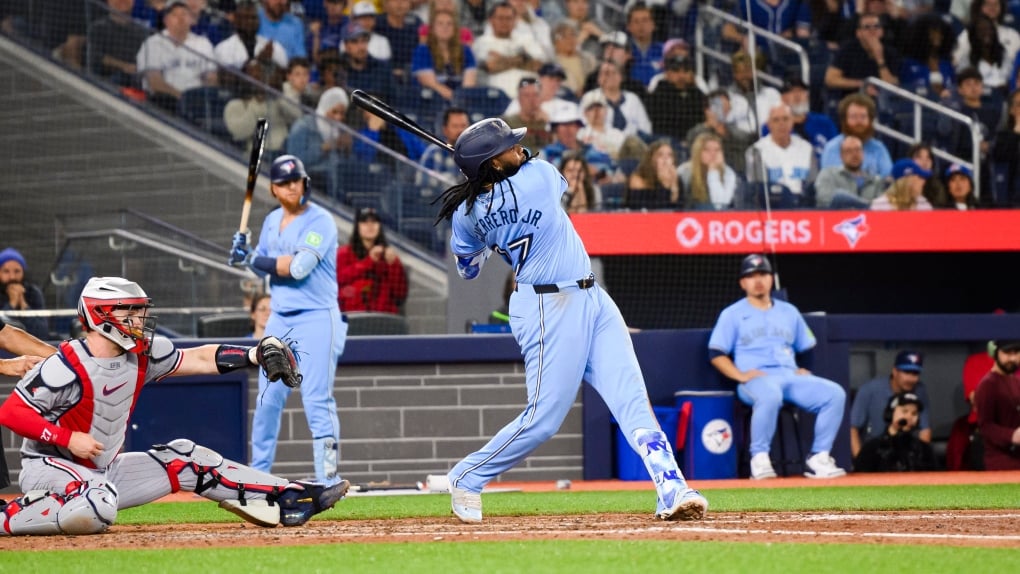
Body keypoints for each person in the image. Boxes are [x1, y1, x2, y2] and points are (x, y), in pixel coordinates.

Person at [432, 117, 707, 523]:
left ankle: (671, 486)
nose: (519, 150)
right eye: (508, 148)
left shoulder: (466, 215)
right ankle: (467, 475)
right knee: (543, 419)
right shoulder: (540, 177)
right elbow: (539, 179)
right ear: (491, 163)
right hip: (547, 308)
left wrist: (487, 222)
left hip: (591, 297)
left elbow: (468, 268)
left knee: (631, 398)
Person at [0, 277, 348, 535]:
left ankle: (289, 497)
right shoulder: (65, 364)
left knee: (186, 459)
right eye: (130, 312)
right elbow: (10, 413)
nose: (138, 319)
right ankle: (6, 517)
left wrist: (254, 354)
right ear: (100, 315)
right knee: (97, 504)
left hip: (101, 470)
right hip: (48, 465)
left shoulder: (143, 354)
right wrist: (66, 438)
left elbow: (197, 358)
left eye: (139, 311)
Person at [228, 154, 347, 486]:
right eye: (283, 182)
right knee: (267, 400)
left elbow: (297, 268)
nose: (291, 186)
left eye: (296, 180)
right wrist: (245, 255)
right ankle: (259, 476)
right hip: (280, 318)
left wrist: (254, 258)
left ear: (304, 182)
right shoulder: (270, 221)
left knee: (316, 401)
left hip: (317, 317)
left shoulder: (320, 221)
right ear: (274, 188)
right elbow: (261, 266)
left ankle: (328, 479)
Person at [708, 254, 848, 480]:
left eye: (762, 274)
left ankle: (819, 458)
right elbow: (715, 353)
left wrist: (803, 368)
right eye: (751, 276)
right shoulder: (732, 314)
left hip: (789, 376)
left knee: (834, 393)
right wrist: (740, 375)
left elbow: (807, 346)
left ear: (771, 278)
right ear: (742, 282)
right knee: (770, 394)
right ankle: (760, 458)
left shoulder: (788, 311)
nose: (758, 280)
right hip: (756, 379)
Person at [135, 0, 218, 112]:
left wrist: (200, 98)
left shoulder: (203, 43)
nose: (180, 19)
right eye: (174, 15)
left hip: (197, 105)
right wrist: (183, 98)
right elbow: (154, 82)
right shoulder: (153, 43)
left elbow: (211, 78)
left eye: (184, 14)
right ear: (166, 20)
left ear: (192, 20)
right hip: (163, 103)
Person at [849, 350, 932, 458]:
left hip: (905, 454)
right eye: (906, 372)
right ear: (895, 371)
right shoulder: (870, 389)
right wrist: (860, 462)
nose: (911, 379)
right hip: (872, 453)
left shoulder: (920, 390)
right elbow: (852, 429)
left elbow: (925, 430)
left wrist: (919, 460)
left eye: (915, 374)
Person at [284, 86, 352, 201]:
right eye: (334, 112)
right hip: (309, 184)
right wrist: (322, 149)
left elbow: (342, 164)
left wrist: (347, 150)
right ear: (325, 107)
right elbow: (293, 162)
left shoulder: (340, 131)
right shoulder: (303, 126)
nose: (338, 117)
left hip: (333, 187)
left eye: (342, 113)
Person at [336, 207, 409, 313]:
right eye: (364, 222)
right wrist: (368, 262)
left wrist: (393, 265)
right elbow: (338, 280)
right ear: (358, 227)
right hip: (352, 316)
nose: (370, 226)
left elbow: (400, 294)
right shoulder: (343, 254)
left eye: (374, 222)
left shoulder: (390, 257)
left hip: (383, 317)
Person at [853, 392, 939, 472]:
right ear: (890, 413)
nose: (909, 417)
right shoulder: (872, 448)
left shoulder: (925, 450)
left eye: (914, 413)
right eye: (904, 411)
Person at [824, 12, 901, 102]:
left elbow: (892, 86)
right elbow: (830, 79)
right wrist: (862, 85)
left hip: (881, 102)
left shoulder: (891, 52)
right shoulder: (848, 49)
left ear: (882, 31)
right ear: (858, 33)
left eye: (876, 26)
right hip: (852, 99)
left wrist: (880, 59)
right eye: (867, 27)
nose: (872, 30)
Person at [745, 103, 815, 197]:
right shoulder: (757, 150)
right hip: (774, 204)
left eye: (785, 119)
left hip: (803, 205)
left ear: (792, 121)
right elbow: (758, 188)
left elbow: (813, 184)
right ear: (769, 124)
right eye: (776, 120)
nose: (781, 124)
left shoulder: (807, 148)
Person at [411, 8, 478, 101]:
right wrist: (455, 99)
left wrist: (460, 101)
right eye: (440, 23)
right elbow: (430, 83)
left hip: (461, 102)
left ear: (455, 29)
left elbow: (469, 84)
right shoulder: (422, 50)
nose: (445, 27)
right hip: (430, 101)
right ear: (432, 28)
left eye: (449, 24)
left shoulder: (466, 51)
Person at [820, 93, 893, 178]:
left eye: (863, 117)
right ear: (845, 120)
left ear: (870, 120)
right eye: (854, 117)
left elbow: (888, 181)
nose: (859, 122)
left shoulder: (879, 149)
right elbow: (829, 181)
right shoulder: (832, 148)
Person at [973, 339, 1020, 470]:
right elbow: (985, 426)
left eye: (1016, 352)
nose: (1013, 358)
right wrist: (1012, 435)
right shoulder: (988, 385)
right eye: (1007, 353)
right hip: (1001, 462)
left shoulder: (1016, 381)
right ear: (995, 353)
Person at [86, 0, 150, 88]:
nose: (122, 1)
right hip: (105, 81)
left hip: (135, 83)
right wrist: (124, 66)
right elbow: (96, 57)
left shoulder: (142, 33)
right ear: (108, 2)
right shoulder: (98, 27)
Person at [813, 135, 885, 208]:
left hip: (870, 219)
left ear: (863, 153)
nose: (854, 154)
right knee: (839, 195)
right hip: (837, 218)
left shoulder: (876, 181)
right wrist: (867, 205)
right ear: (841, 156)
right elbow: (825, 200)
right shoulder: (828, 174)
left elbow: (882, 209)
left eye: (857, 150)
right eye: (849, 151)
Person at [677, 131, 738, 210]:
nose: (713, 154)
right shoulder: (684, 171)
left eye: (717, 150)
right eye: (707, 150)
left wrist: (713, 171)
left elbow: (720, 206)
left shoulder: (728, 172)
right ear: (698, 152)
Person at [0, 247, 48, 340]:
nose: (12, 277)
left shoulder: (33, 292)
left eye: (17, 271)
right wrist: (12, 304)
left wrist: (24, 306)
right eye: (6, 271)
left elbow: (42, 332)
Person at [625, 140, 682, 210]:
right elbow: (646, 209)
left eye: (670, 155)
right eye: (660, 155)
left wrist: (674, 186)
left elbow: (680, 208)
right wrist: (664, 187)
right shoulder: (638, 179)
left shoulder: (676, 178)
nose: (665, 159)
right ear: (651, 158)